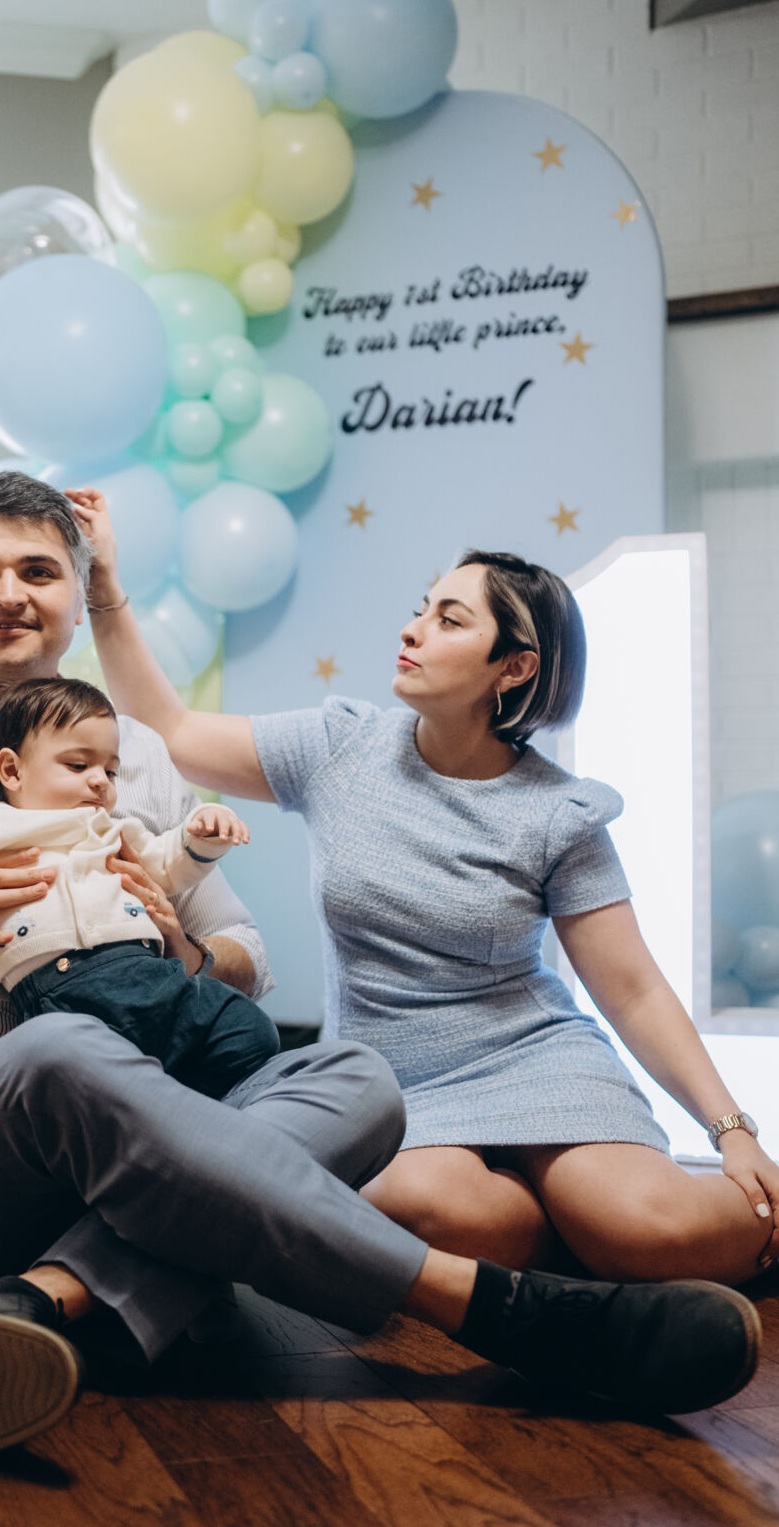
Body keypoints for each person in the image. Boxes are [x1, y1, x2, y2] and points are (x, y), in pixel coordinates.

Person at [0, 472, 761, 1458]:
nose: (9, 593)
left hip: (148, 1175)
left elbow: (244, 958)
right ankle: (503, 1314)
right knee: (63, 1049)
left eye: (38, 571)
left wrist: (175, 941)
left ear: (76, 595)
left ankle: (33, 1306)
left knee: (354, 1079)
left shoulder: (128, 760)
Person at [70, 484, 779, 1293]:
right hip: (395, 1082)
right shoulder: (338, 747)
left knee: (651, 1231)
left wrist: (731, 1130)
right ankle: (586, 1240)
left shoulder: (560, 812)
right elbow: (171, 730)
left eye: (450, 620)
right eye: (422, 609)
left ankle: (630, 1231)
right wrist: (105, 590)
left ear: (514, 666)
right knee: (414, 1207)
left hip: (538, 1059)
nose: (413, 630)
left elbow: (634, 990)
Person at [0, 673, 281, 1100]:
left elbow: (167, 865)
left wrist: (201, 834)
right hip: (62, 991)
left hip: (152, 975)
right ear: (12, 771)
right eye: (78, 765)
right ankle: (154, 1102)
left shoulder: (114, 829)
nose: (100, 781)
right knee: (78, 1074)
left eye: (111, 771)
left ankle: (179, 1100)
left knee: (251, 1031)